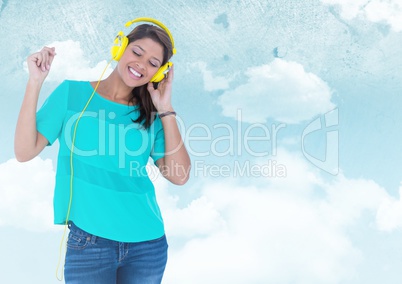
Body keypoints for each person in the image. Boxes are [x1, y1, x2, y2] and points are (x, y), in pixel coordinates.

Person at [14, 20, 191, 283]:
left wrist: (165, 107)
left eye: (154, 63)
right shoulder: (71, 94)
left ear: (159, 72)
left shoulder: (151, 114)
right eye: (138, 52)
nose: (142, 64)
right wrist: (35, 82)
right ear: (120, 47)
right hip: (89, 244)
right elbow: (25, 151)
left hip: (147, 245)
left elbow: (179, 176)